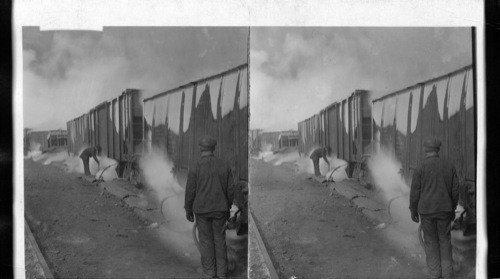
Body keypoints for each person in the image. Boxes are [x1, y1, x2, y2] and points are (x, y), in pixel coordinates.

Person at [184, 136, 234, 278]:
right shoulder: (224, 165)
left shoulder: (195, 166)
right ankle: (222, 273)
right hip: (220, 209)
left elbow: (190, 190)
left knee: (205, 241)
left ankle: (210, 272)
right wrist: (227, 206)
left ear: (201, 149)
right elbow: (231, 189)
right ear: (213, 148)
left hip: (202, 210)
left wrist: (188, 209)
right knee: (220, 240)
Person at [410, 139, 459, 279]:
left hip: (426, 212)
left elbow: (415, 192)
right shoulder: (449, 165)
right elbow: (455, 191)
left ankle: (435, 274)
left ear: (426, 150)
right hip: (445, 210)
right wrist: (452, 208)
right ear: (438, 150)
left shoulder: (420, 167)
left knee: (431, 241)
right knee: (445, 241)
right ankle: (448, 274)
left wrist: (413, 210)